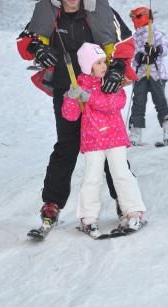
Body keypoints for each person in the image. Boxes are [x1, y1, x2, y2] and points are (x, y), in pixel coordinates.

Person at [17, 0, 137, 228]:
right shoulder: (51, 12)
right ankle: (52, 203)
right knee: (68, 144)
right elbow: (24, 41)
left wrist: (116, 69)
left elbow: (125, 43)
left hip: (99, 89)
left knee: (109, 146)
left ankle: (124, 201)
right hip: (66, 89)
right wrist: (38, 49)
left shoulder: (98, 10)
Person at [61, 43, 146, 238]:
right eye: (98, 63)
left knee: (121, 174)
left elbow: (115, 103)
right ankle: (88, 218)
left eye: (104, 62)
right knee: (92, 178)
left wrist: (88, 97)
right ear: (87, 66)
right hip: (93, 139)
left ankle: (134, 212)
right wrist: (71, 98)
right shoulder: (79, 84)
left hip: (114, 137)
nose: (104, 66)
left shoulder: (111, 81)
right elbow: (70, 116)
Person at [128, 7, 168, 146]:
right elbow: (131, 53)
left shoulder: (156, 33)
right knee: (138, 103)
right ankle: (135, 134)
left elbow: (166, 47)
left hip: (157, 74)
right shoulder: (134, 36)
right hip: (140, 75)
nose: (133, 21)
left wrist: (156, 50)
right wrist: (138, 57)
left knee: (160, 101)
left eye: (135, 18)